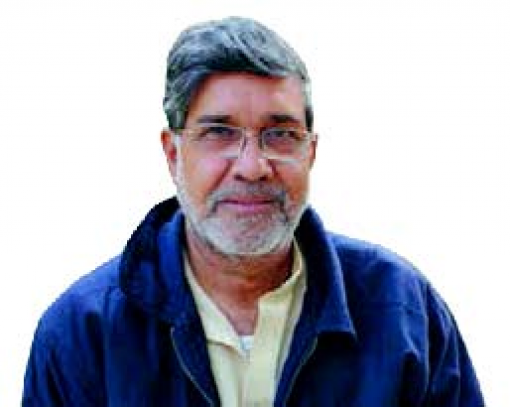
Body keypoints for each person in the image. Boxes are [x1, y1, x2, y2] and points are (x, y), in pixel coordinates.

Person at [23, 16, 484, 406]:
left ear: (311, 152)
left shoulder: (402, 313)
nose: (252, 166)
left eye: (280, 134)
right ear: (173, 153)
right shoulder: (83, 334)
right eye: (219, 133)